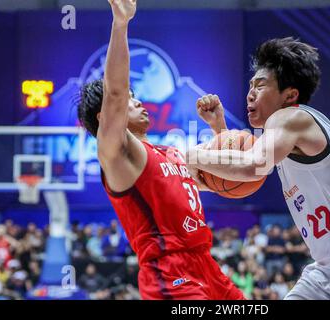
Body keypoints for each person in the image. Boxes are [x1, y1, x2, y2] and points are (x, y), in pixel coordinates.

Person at [188, 37, 330, 300]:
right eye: (250, 85)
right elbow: (236, 171)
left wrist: (189, 155)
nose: (250, 93)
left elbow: (252, 166)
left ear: (290, 95)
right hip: (327, 272)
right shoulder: (288, 133)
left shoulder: (290, 118)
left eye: (260, 86)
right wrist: (220, 131)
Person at [76, 0, 243, 300]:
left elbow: (229, 181)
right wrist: (121, 23)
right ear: (106, 118)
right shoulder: (117, 155)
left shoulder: (173, 153)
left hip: (208, 267)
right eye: (130, 97)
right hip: (169, 273)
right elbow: (113, 93)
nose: (138, 101)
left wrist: (220, 129)